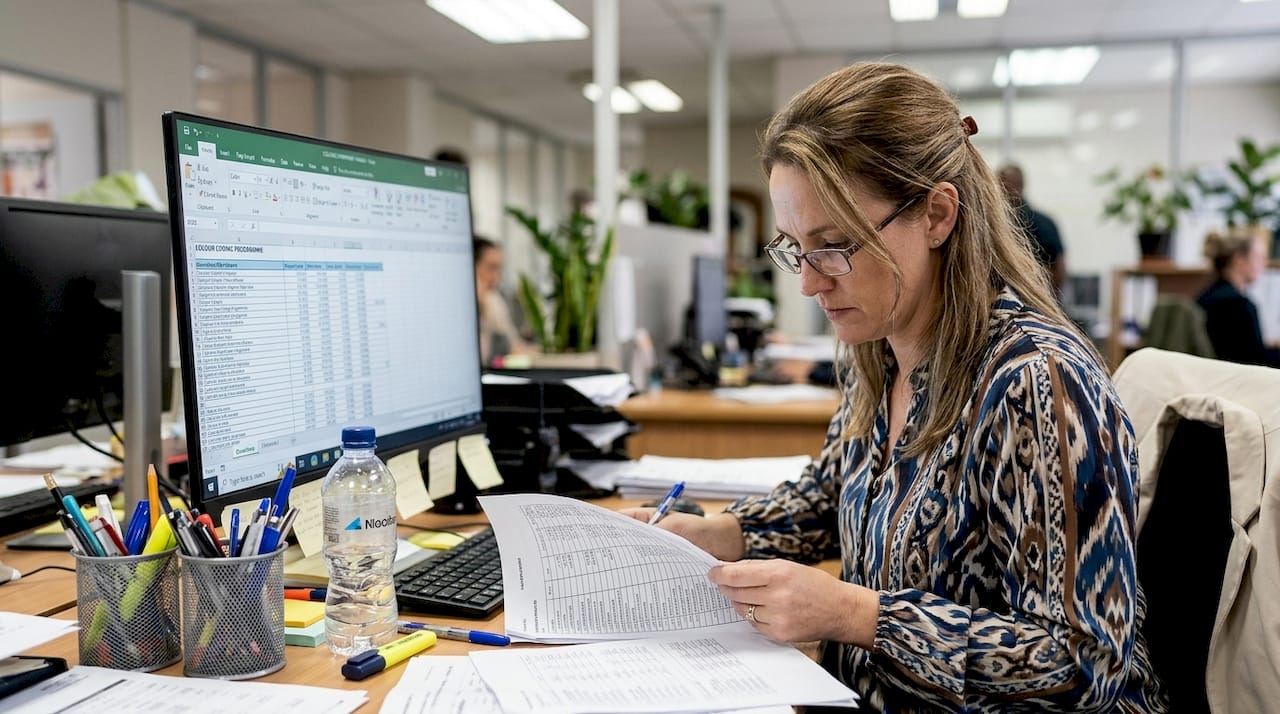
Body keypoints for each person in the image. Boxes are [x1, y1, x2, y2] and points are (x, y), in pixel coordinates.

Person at [625, 62, 1164, 712]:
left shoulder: (1036, 380)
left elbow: (1082, 665)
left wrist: (860, 616)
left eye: (833, 245)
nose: (809, 282)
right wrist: (726, 534)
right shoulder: (877, 347)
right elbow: (834, 496)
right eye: (795, 247)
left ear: (936, 214)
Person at [1197, 224, 1280, 366]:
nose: (1265, 264)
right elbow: (1256, 362)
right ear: (1239, 259)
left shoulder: (1205, 297)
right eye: (1260, 257)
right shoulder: (1240, 306)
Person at [999, 163, 1066, 294]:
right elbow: (1060, 269)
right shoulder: (1046, 222)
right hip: (1040, 299)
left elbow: (1059, 268)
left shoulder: (994, 225)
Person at [473, 236, 534, 365]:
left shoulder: (493, 299)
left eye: (499, 269)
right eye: (491, 267)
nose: (496, 277)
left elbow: (515, 346)